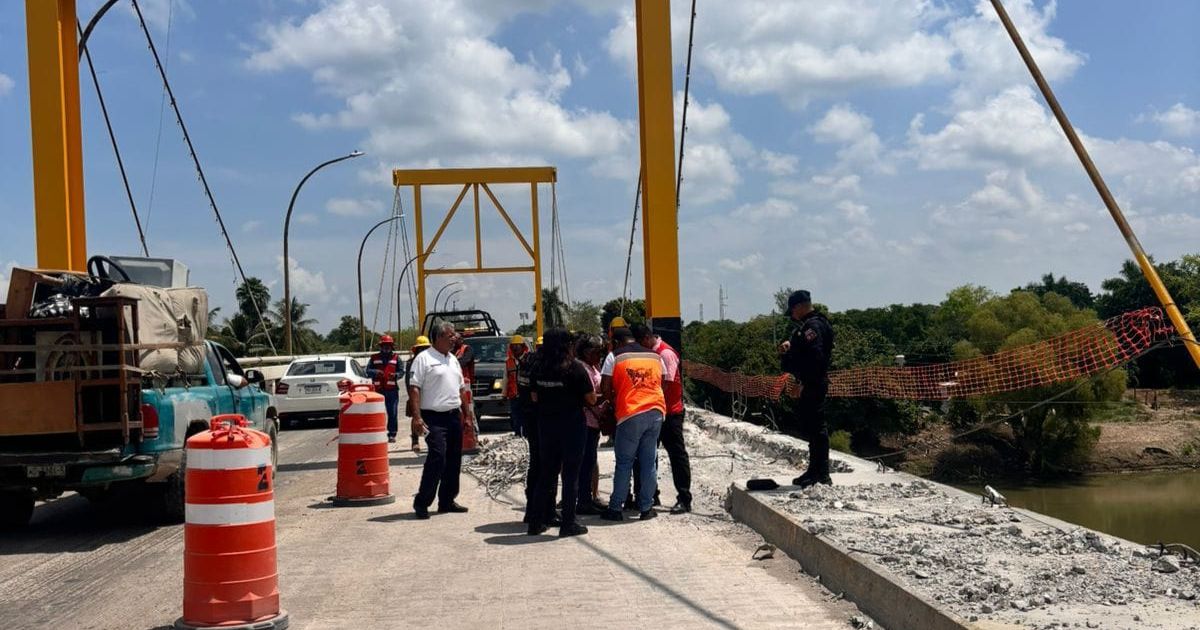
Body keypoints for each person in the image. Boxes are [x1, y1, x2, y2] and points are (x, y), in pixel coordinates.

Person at [526, 328, 597, 537]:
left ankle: (535, 522)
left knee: (546, 474)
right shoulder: (574, 369)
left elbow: (534, 397)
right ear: (567, 346)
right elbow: (591, 399)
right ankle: (568, 523)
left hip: (546, 426)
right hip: (572, 427)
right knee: (570, 476)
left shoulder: (537, 367)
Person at [599, 326, 666, 522]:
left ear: (617, 342)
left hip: (630, 413)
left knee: (624, 462)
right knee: (648, 462)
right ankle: (646, 508)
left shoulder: (614, 356)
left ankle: (615, 508)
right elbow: (661, 382)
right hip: (656, 412)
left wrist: (614, 402)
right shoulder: (655, 356)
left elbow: (605, 388)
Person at [409, 321, 474, 519]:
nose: (455, 338)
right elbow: (414, 388)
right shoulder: (423, 359)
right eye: (450, 335)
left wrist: (467, 415)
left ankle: (447, 501)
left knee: (454, 460)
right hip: (433, 417)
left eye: (454, 335)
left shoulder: (453, 359)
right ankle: (422, 502)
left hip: (453, 415)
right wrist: (417, 417)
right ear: (438, 338)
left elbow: (461, 389)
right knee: (438, 457)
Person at [779, 290, 835, 488]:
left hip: (813, 383)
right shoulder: (812, 325)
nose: (792, 315)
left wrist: (804, 382)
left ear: (801, 306)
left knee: (817, 428)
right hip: (811, 382)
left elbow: (815, 358)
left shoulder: (814, 327)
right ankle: (814, 471)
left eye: (793, 310)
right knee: (812, 428)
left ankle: (822, 474)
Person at [635, 325, 692, 514]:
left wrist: (650, 398)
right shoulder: (651, 353)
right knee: (648, 454)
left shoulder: (665, 353)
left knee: (676, 454)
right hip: (655, 410)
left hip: (670, 412)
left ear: (645, 338)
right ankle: (651, 494)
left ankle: (684, 498)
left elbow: (666, 383)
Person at [575, 335, 608, 515]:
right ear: (586, 352)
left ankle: (588, 497)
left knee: (590, 460)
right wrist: (607, 396)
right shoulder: (583, 369)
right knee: (585, 462)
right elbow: (589, 398)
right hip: (586, 420)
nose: (598, 356)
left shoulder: (594, 367)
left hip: (594, 422)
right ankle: (584, 501)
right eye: (595, 352)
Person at [365, 335, 403, 444]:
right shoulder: (374, 358)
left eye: (388, 346)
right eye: (384, 346)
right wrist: (375, 372)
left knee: (393, 413)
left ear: (392, 347)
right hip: (378, 391)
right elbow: (367, 371)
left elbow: (401, 371)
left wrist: (395, 375)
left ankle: (392, 434)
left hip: (392, 391)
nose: (386, 348)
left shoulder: (396, 358)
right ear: (381, 347)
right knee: (377, 413)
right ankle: (377, 433)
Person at [405, 335, 431, 453]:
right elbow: (408, 381)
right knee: (416, 417)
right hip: (416, 393)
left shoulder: (432, 361)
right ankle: (415, 441)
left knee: (430, 418)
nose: (423, 351)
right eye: (421, 349)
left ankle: (430, 441)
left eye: (425, 348)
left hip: (430, 394)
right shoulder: (411, 363)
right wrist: (411, 397)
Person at [505, 335, 529, 436]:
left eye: (517, 346)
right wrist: (504, 393)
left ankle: (526, 432)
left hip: (525, 394)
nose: (515, 349)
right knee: (515, 415)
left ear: (523, 347)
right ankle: (518, 433)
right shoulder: (509, 361)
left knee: (526, 415)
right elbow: (505, 378)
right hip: (513, 394)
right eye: (513, 347)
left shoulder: (529, 359)